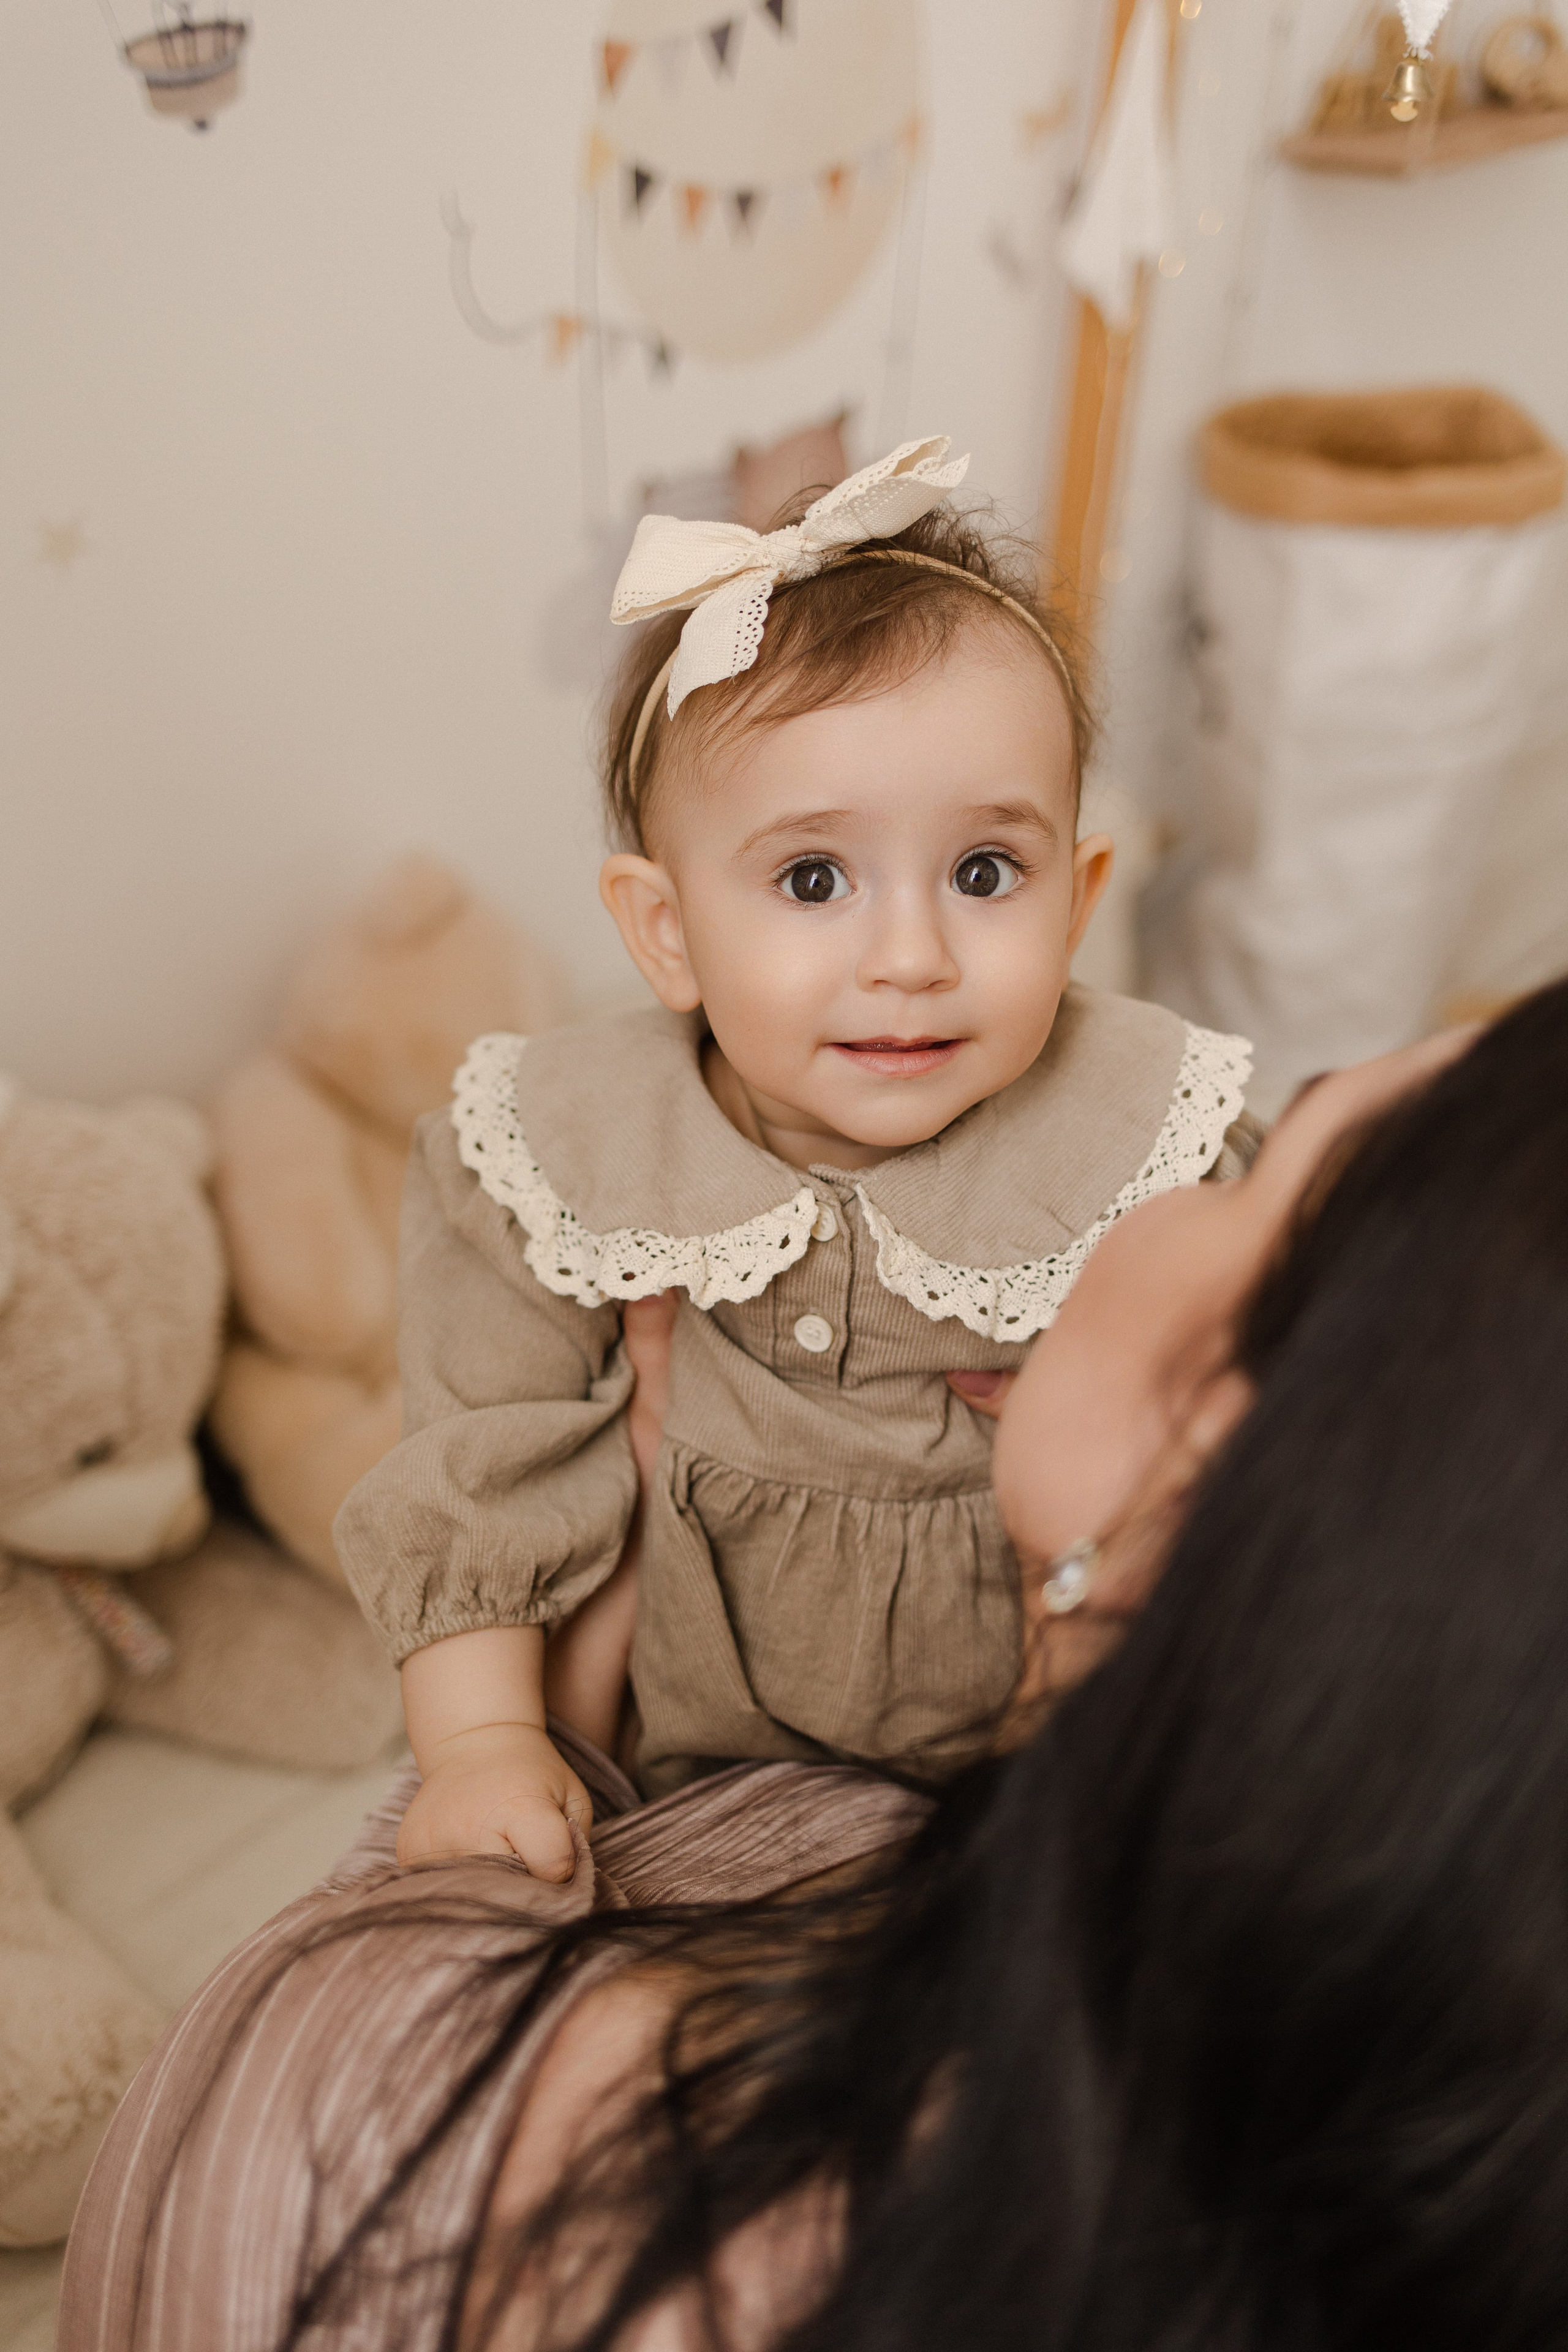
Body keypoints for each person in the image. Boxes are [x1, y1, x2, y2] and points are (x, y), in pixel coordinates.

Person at [64, 986, 1568, 2352]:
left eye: (1266, 1156)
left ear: (1197, 1439)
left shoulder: (412, 2120)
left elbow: (297, 2078)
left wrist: (553, 1712)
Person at [333, 436, 1259, 1875]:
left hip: (1044, 1761)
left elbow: (1259, 1423)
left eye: (983, 873)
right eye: (813, 879)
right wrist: (480, 1747)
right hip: (667, 1770)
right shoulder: (558, 1155)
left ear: (1077, 904)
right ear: (664, 933)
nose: (910, 958)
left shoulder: (1149, 1133)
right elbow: (474, 1461)